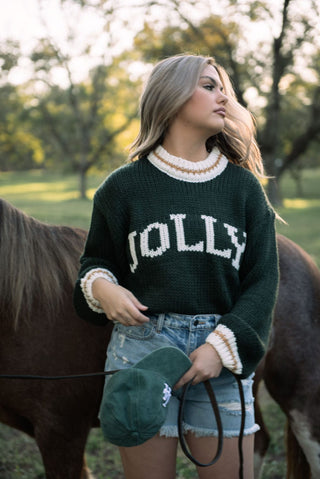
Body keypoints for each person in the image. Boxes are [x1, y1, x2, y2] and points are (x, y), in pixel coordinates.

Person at [73, 54, 279, 479]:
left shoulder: (243, 188)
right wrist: (103, 289)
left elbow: (262, 281)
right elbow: (95, 263)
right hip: (140, 350)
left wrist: (220, 349)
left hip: (221, 354)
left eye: (223, 87)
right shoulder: (122, 187)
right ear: (171, 96)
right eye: (209, 85)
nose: (224, 96)